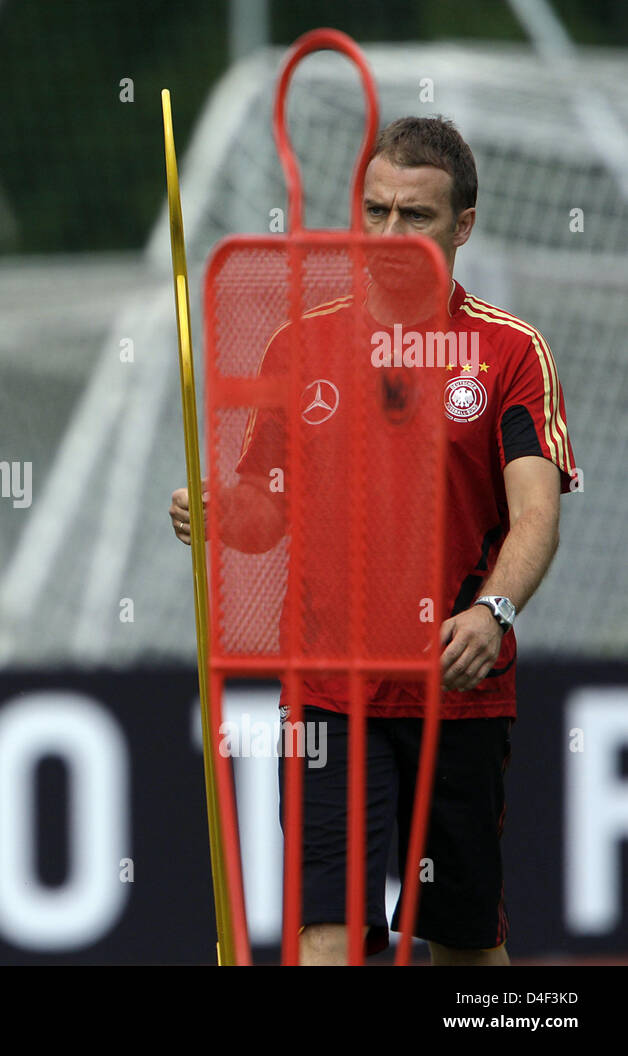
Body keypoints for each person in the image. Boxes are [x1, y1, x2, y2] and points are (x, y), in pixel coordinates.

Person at [169, 116, 575, 965]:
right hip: (327, 692)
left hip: (456, 690)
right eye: (375, 211)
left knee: (462, 948)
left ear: (463, 226)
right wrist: (212, 512)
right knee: (331, 941)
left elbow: (536, 512)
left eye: (414, 217)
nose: (389, 235)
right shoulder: (301, 343)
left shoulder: (509, 354)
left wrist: (495, 610)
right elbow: (261, 510)